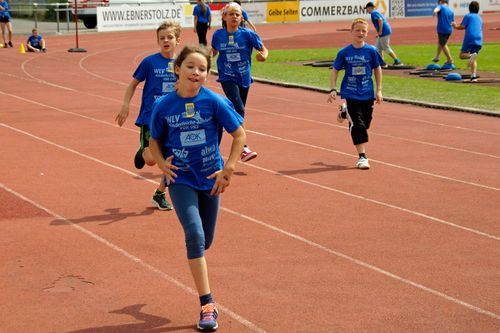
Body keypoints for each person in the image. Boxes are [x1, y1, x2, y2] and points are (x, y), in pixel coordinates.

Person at [149, 45, 246, 332]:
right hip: (181, 179)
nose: (196, 72)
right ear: (177, 69)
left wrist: (229, 167)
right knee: (194, 234)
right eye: (190, 66)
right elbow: (154, 140)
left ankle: (198, 258)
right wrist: (161, 164)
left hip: (210, 178)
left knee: (205, 242)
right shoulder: (164, 106)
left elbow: (240, 135)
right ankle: (208, 304)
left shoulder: (214, 102)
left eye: (202, 69)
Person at [115, 21, 182, 211]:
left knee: (173, 158)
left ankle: (159, 194)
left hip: (173, 118)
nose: (166, 40)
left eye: (169, 37)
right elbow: (133, 84)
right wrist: (126, 105)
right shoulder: (149, 62)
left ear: (178, 40)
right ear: (158, 41)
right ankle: (143, 151)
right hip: (150, 117)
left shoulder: (182, 63)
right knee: (152, 159)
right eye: (162, 38)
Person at [211, 2, 268, 162]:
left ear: (241, 17)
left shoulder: (248, 35)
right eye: (231, 14)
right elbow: (214, 51)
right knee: (239, 107)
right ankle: (243, 147)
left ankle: (220, 126)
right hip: (227, 76)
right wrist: (207, 59)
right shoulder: (218, 35)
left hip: (244, 77)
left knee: (239, 112)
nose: (234, 17)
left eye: (237, 14)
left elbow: (263, 49)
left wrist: (263, 55)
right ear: (224, 17)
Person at [327, 18, 383, 170]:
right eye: (357, 30)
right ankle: (362, 157)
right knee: (358, 125)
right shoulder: (344, 52)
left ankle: (344, 112)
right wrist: (333, 89)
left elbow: (377, 69)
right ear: (351, 32)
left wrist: (379, 90)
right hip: (350, 93)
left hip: (367, 93)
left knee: (365, 124)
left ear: (367, 33)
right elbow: (335, 70)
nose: (360, 33)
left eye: (364, 31)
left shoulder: (371, 51)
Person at [452, 1, 482, 82]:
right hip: (479, 38)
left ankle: (470, 56)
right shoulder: (479, 17)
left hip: (470, 37)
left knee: (462, 55)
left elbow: (462, 26)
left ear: (469, 8)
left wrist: (455, 26)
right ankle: (473, 76)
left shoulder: (468, 16)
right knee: (474, 58)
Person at [432, 0, 455, 64]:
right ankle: (437, 56)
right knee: (441, 42)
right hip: (449, 30)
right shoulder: (451, 11)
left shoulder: (441, 6)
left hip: (442, 29)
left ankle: (450, 59)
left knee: (443, 44)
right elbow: (453, 22)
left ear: (441, 1)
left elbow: (437, 9)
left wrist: (434, 12)